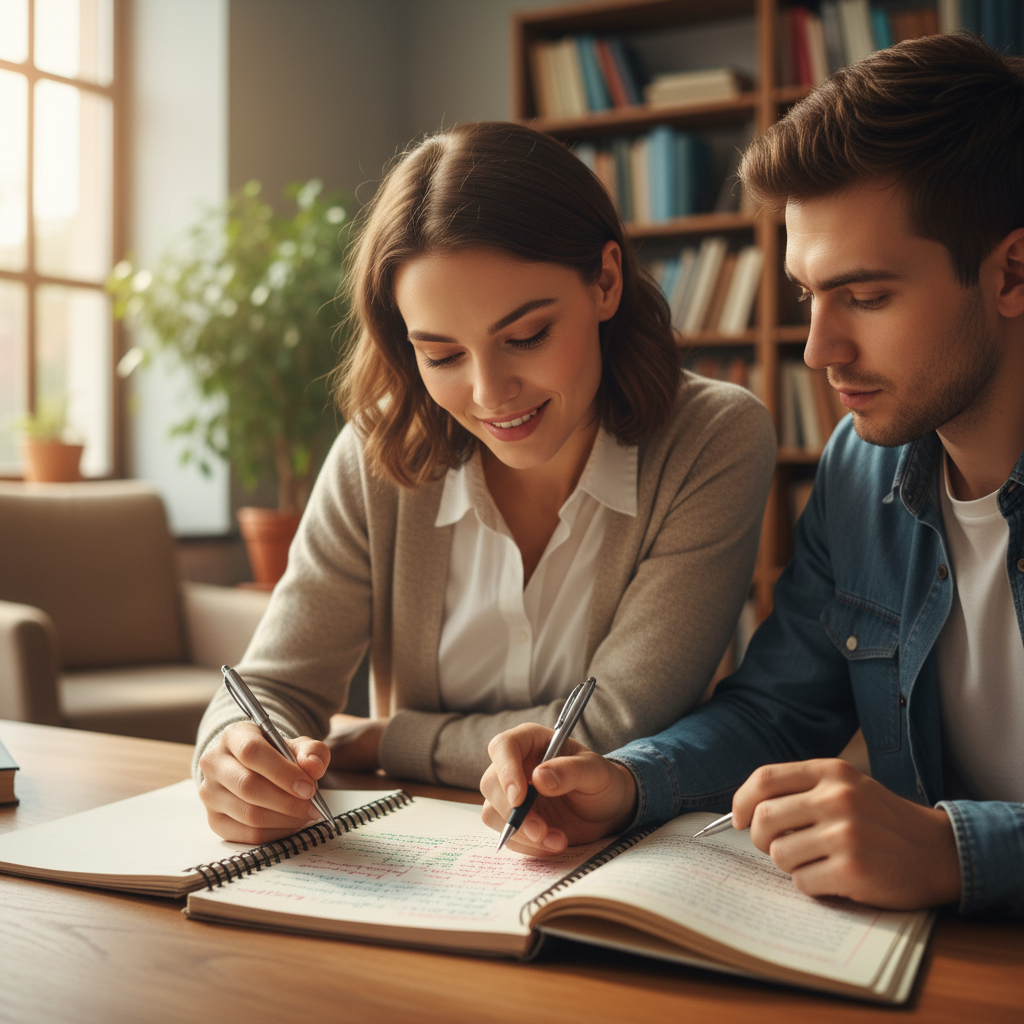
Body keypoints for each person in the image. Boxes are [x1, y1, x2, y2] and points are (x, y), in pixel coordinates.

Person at [481, 33, 1024, 919]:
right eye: (810, 296)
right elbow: (777, 709)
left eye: (869, 296)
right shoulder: (861, 467)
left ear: (1012, 271)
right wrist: (622, 781)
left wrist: (955, 852)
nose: (819, 350)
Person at [193, 121, 776, 843]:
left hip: (612, 857)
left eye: (525, 337)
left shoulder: (715, 440)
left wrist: (388, 740)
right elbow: (272, 687)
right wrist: (234, 757)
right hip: (417, 858)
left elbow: (617, 725)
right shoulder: (379, 451)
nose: (490, 392)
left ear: (606, 281)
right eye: (441, 355)